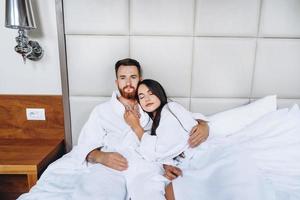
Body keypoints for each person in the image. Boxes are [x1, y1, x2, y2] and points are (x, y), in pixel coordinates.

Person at [124, 79, 300, 200]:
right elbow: (160, 149)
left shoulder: (170, 108)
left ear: (159, 94)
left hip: (204, 155)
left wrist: (136, 128)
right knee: (172, 192)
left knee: (233, 187)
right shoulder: (154, 127)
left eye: (150, 93)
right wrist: (165, 164)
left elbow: (165, 146)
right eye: (141, 96)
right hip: (186, 164)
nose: (146, 98)